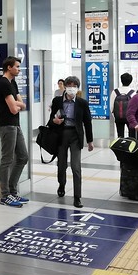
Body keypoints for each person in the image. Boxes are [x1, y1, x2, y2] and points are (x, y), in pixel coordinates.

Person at [49, 76, 94, 208]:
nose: (71, 88)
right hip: (61, 135)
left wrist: (90, 141)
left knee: (76, 167)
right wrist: (54, 120)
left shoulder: (82, 103)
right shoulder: (57, 101)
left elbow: (87, 122)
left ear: (77, 88)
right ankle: (61, 184)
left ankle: (77, 197)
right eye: (69, 85)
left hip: (75, 135)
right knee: (61, 165)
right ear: (65, 86)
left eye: (74, 86)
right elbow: (52, 117)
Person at [0, 56, 29, 207]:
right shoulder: (3, 83)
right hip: (6, 125)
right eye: (17, 67)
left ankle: (12, 191)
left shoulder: (12, 82)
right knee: (7, 159)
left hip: (15, 125)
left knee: (23, 157)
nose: (19, 69)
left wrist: (18, 104)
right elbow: (14, 109)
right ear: (9, 67)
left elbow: (22, 104)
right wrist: (18, 104)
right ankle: (5, 195)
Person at [110, 72, 135, 138]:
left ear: (121, 80)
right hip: (130, 117)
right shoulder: (133, 92)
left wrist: (115, 115)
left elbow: (111, 106)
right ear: (131, 81)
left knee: (120, 135)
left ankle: (120, 146)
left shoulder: (115, 92)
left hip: (118, 117)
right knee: (132, 134)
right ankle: (130, 146)